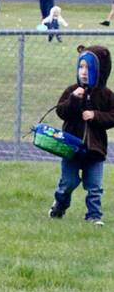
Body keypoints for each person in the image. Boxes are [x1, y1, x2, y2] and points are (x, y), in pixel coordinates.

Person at [48, 46, 114, 226]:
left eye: (89, 68)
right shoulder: (72, 90)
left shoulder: (106, 95)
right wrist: (74, 99)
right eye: (81, 67)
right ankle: (59, 205)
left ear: (101, 70)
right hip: (71, 148)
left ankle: (94, 215)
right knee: (68, 182)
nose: (84, 72)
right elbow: (61, 111)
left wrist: (96, 116)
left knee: (95, 186)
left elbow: (112, 116)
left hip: (95, 149)